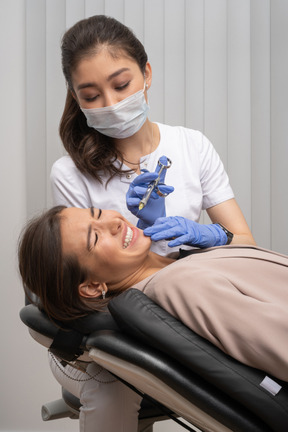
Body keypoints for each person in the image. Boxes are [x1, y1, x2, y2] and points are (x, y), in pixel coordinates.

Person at [48, 14, 256, 432]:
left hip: (189, 316)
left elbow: (245, 246)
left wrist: (207, 236)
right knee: (115, 379)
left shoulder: (192, 146)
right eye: (91, 95)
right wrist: (160, 255)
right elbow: (90, 290)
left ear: (146, 74)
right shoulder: (69, 175)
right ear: (76, 97)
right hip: (115, 329)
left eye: (121, 85)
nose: (110, 103)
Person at [18, 206, 288, 384]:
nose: (113, 222)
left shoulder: (177, 262)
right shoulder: (182, 285)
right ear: (91, 287)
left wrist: (223, 239)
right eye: (95, 238)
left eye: (98, 213)